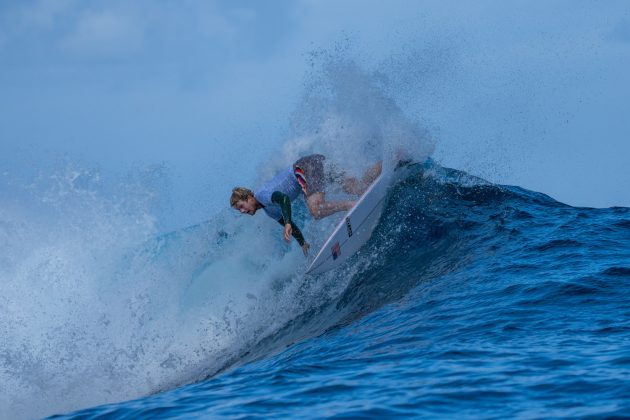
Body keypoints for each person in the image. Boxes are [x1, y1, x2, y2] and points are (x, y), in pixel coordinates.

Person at [230, 154, 382, 256]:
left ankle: (351, 205)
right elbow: (291, 226)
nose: (242, 211)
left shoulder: (262, 195)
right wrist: (303, 243)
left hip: (305, 168)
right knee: (358, 187)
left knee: (316, 210)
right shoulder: (269, 211)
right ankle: (392, 158)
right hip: (313, 163)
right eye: (239, 210)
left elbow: (283, 199)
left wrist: (288, 222)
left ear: (249, 197)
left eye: (241, 206)